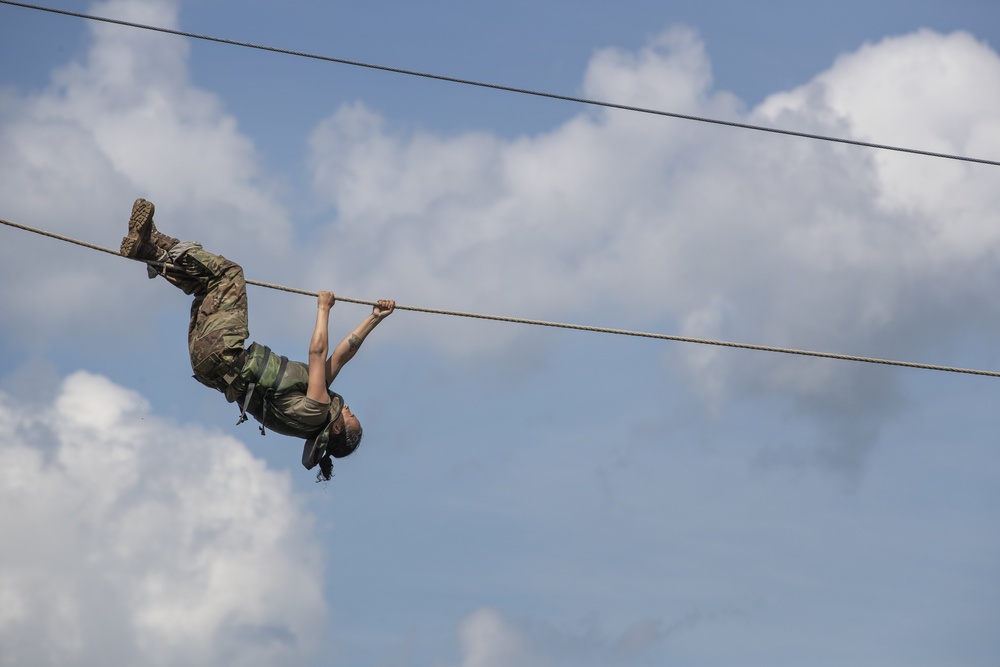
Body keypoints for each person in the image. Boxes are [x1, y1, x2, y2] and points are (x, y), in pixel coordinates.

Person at [120, 198, 395, 480]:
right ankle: (150, 249)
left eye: (349, 416)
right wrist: (375, 317)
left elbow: (317, 353)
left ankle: (155, 240)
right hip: (208, 362)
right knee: (207, 288)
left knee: (229, 274)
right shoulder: (313, 404)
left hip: (224, 354)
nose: (347, 408)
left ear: (336, 429)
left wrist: (323, 309)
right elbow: (340, 357)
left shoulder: (317, 410)